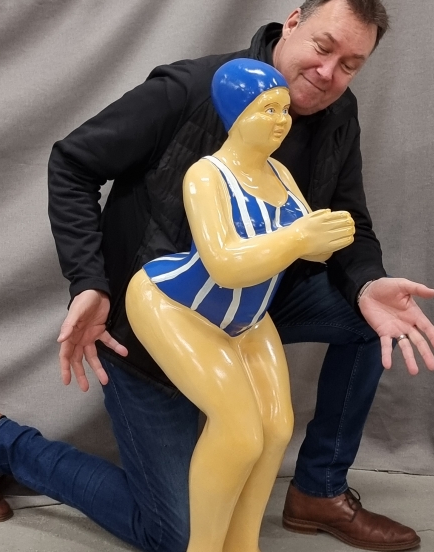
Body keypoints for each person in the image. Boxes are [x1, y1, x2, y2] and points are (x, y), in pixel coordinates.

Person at [0, 0, 434, 552]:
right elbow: (73, 163)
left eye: (350, 65)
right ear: (292, 23)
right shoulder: (189, 89)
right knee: (176, 534)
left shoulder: (338, 112)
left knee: (375, 317)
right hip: (158, 319)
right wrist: (90, 282)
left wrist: (366, 283)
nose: (328, 73)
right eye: (323, 46)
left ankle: (319, 491)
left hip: (254, 304)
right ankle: (1, 443)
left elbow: (347, 218)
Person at [126, 58, 355, 551]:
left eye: (285, 110)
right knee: (238, 433)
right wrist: (301, 237)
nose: (282, 120)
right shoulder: (206, 176)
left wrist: (327, 236)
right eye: (268, 109)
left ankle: (243, 546)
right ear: (236, 114)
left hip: (247, 320)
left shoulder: (279, 173)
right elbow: (225, 264)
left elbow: (309, 248)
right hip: (177, 306)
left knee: (275, 430)